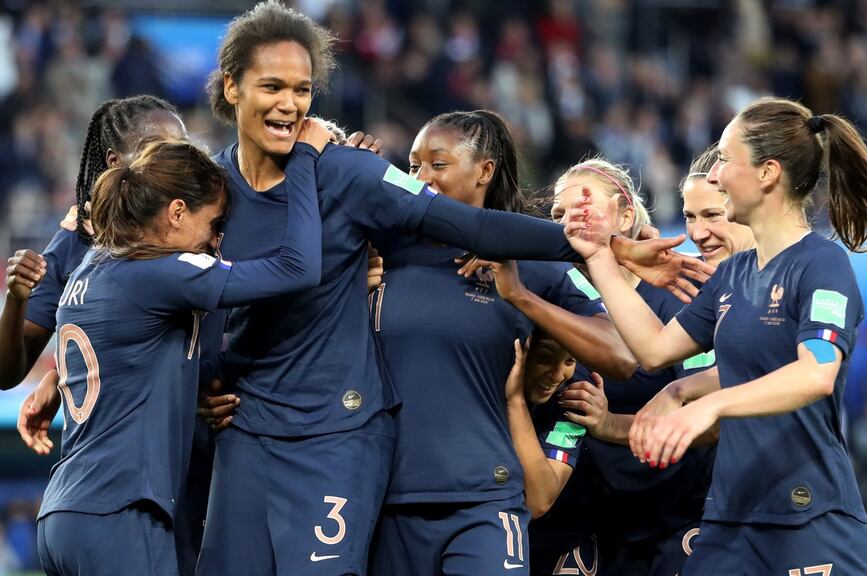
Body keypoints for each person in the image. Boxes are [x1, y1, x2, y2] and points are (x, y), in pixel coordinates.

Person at [195, 4, 707, 575]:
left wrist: (601, 253)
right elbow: (190, 300)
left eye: (302, 89)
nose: (290, 104)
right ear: (231, 87)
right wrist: (204, 383)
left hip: (369, 449)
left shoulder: (358, 180)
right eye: (273, 87)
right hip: (263, 438)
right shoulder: (216, 192)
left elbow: (478, 228)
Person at [565, 97, 867, 574]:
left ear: (768, 173)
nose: (715, 176)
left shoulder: (822, 264)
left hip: (808, 519)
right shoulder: (732, 275)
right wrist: (600, 258)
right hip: (728, 521)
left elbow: (815, 373)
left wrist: (709, 404)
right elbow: (653, 349)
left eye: (726, 160)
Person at [34, 130, 328, 575]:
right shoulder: (161, 272)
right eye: (215, 224)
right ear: (176, 212)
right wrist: (305, 158)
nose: (216, 241)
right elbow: (298, 269)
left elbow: (136, 363)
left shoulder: (92, 267)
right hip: (121, 511)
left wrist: (199, 388)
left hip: (65, 512)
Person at [366, 110, 634, 576]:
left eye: (438, 164)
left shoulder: (530, 261)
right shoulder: (382, 249)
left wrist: (521, 296)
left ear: (484, 171)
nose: (421, 178)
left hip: (485, 501)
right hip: (386, 498)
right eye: (413, 166)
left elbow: (622, 355)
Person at [502, 157, 716, 576]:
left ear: (625, 214)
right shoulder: (555, 297)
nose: (570, 222)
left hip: (674, 515)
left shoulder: (676, 299)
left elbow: (704, 418)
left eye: (584, 208)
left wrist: (610, 425)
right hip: (587, 519)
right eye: (558, 215)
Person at [0, 95, 188, 392]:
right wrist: (16, 299)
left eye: (182, 149)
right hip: (109, 420)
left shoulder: (206, 227)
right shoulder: (76, 242)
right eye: (154, 149)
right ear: (115, 161)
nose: (174, 161)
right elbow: (6, 374)